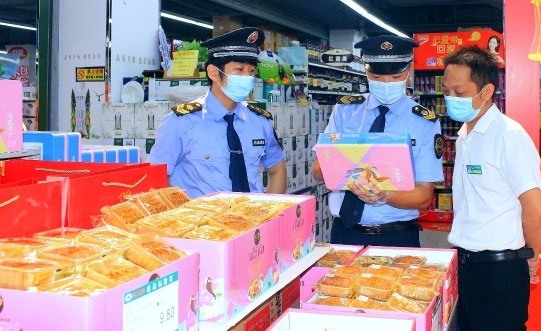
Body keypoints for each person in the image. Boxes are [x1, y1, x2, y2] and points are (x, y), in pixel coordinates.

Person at [443, 45, 541, 331]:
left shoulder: (508, 136)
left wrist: (531, 256)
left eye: (460, 92)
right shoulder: (465, 134)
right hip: (465, 265)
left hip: (499, 271)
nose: (450, 98)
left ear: (486, 91)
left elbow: (536, 210)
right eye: (446, 91)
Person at [312, 35, 443, 247]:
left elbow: (423, 196)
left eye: (395, 78)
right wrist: (342, 166)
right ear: (366, 70)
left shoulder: (425, 122)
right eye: (377, 77)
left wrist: (385, 195)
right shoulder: (345, 111)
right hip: (345, 233)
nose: (386, 84)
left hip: (397, 235)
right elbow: (318, 172)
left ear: (409, 72)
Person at [149, 27, 286, 197]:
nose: (247, 77)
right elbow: (155, 178)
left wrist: (271, 214)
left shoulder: (259, 122)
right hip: (202, 222)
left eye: (251, 71)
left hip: (252, 220)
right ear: (214, 72)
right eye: (239, 70)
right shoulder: (180, 123)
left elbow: (277, 168)